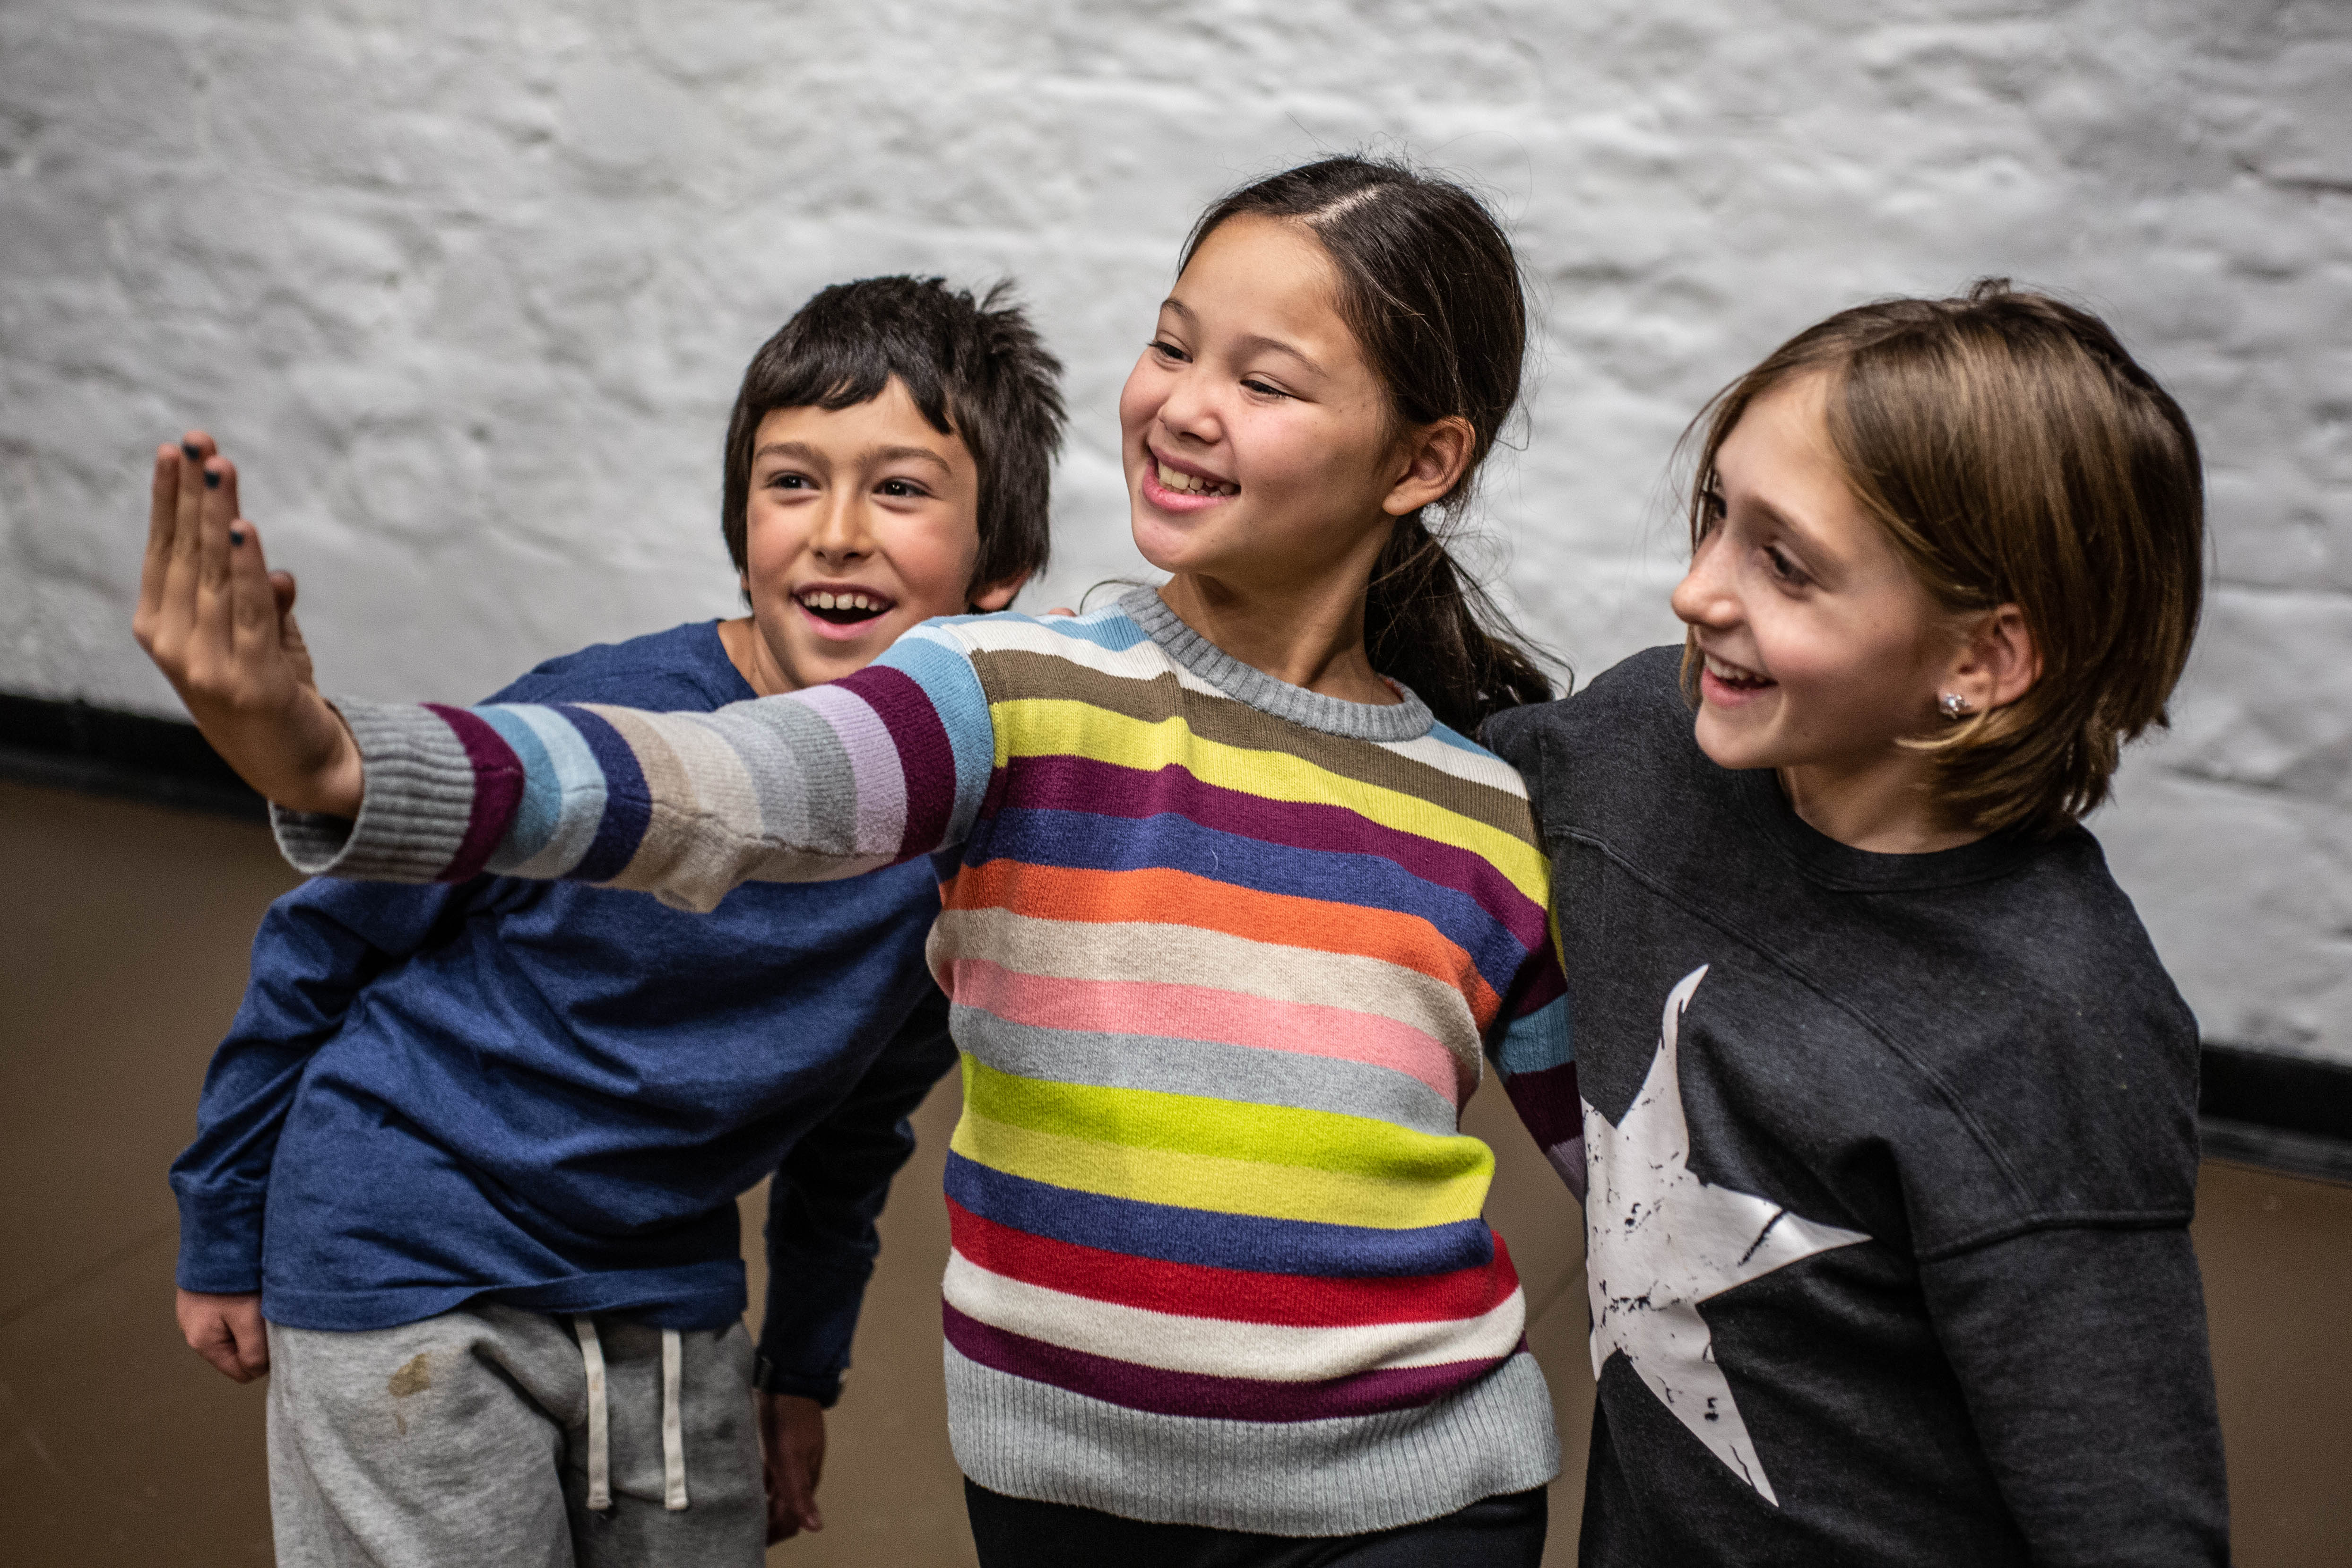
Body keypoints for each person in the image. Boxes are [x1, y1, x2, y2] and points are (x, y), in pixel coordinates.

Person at [138, 156, 1572, 1566]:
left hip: (1411, 1485)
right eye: (1172, 345)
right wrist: (340, 764)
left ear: (1421, 460)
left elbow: (1632, 1174)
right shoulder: (1002, 697)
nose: (1185, 405)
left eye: (1264, 382)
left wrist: (796, 1373)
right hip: (462, 1266)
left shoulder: (1483, 811)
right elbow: (723, 786)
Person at [155, 274, 1066, 1568]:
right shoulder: (614, 709)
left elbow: (857, 1129)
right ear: (742, 528)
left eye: (902, 490)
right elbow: (328, 937)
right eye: (792, 482)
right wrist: (222, 1218)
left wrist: (799, 1372)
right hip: (406, 1234)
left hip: (661, 1272)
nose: (836, 534)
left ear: (1002, 573)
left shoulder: (957, 835)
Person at [1484, 283, 2230, 1564]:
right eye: (1716, 515)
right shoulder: (1636, 750)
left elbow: (2131, 1523)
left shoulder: (2052, 1029)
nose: (1695, 591)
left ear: (1981, 662)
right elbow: (1408, 785)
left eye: (1786, 564)